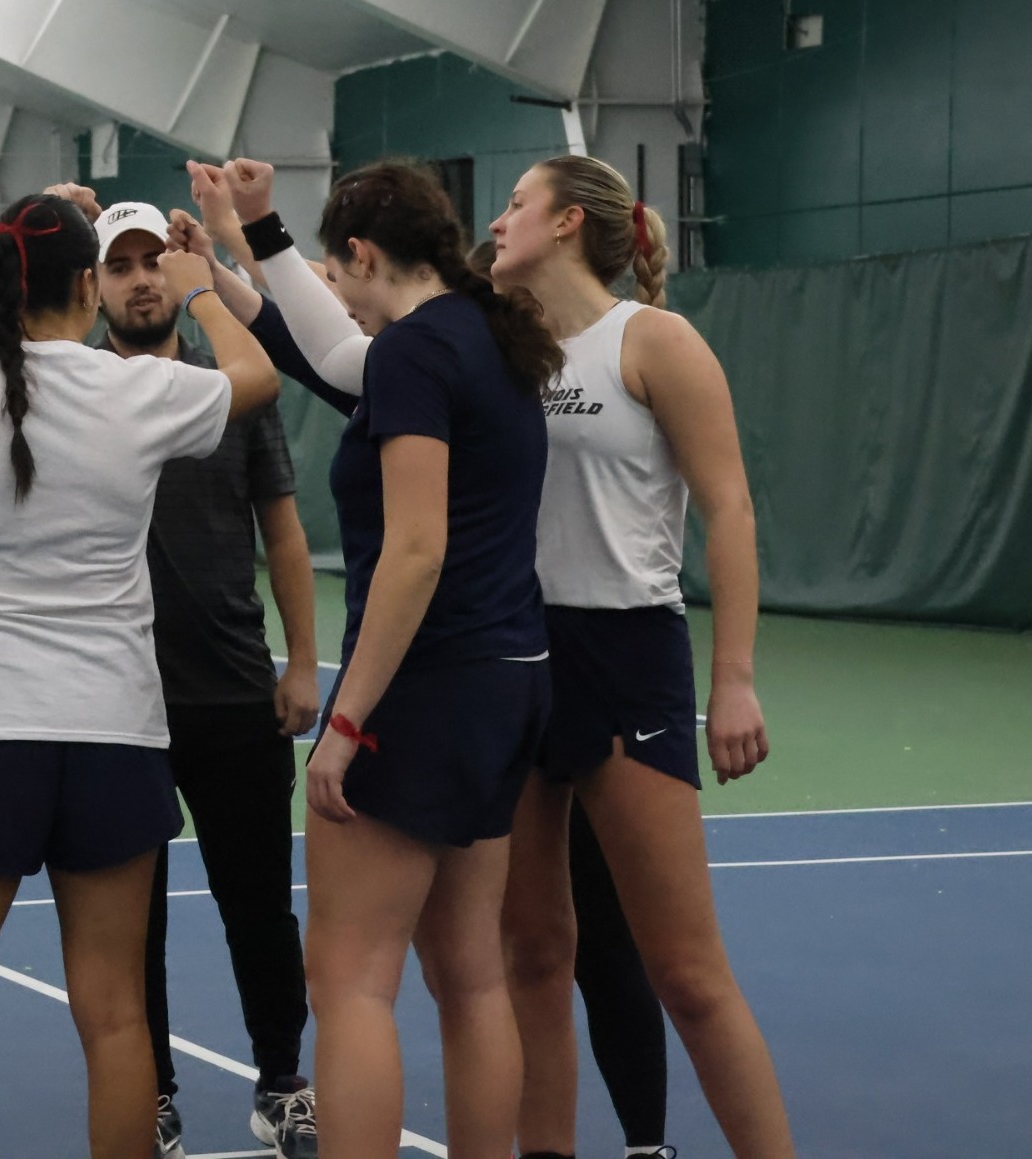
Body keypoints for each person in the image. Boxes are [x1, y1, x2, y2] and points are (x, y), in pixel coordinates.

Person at [183, 178, 681, 1159]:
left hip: (425, 685)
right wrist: (246, 247)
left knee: (350, 974)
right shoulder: (492, 337)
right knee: (472, 973)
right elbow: (323, 349)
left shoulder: (416, 351)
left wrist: (349, 720)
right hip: (511, 682)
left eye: (344, 272)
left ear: (364, 257)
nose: (342, 294)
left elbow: (416, 547)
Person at [0, 189, 279, 1159]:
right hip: (114, 736)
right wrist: (200, 288)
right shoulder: (139, 388)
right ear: (90, 286)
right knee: (119, 1019)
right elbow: (259, 375)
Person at [489, 155, 789, 1159]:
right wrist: (239, 247)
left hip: (628, 658)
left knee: (689, 976)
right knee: (531, 952)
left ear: (568, 222)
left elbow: (730, 507)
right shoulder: (501, 347)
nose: (498, 221)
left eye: (517, 204)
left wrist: (734, 677)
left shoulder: (654, 340)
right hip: (517, 658)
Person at [91, 200, 321, 1159]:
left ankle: (281, 1084)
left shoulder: (235, 389)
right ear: (94, 285)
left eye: (157, 261)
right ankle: (152, 1094)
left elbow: (283, 531)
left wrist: (302, 660)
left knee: (259, 904)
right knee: (128, 926)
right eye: (120, 265)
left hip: (233, 691)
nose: (143, 278)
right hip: (114, 704)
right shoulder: (72, 389)